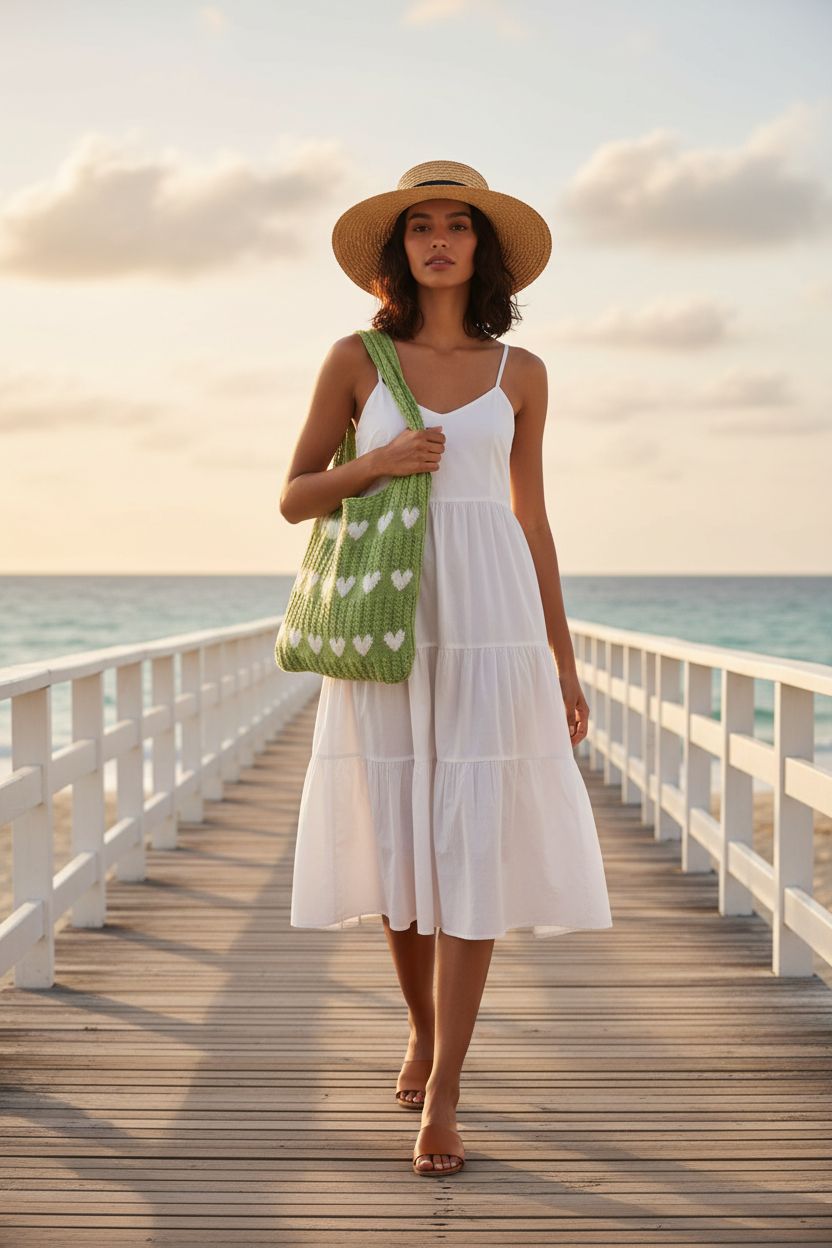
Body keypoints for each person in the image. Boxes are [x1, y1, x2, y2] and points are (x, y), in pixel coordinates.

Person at [279, 159, 613, 1177]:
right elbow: (295, 496)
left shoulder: (523, 375)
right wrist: (376, 462)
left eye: (456, 225)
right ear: (398, 249)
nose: (437, 240)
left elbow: (532, 517)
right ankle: (420, 1028)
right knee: (399, 839)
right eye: (419, 224)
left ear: (482, 249)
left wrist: (563, 660)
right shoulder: (354, 356)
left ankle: (450, 1092)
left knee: (470, 839)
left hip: (492, 618)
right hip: (390, 619)